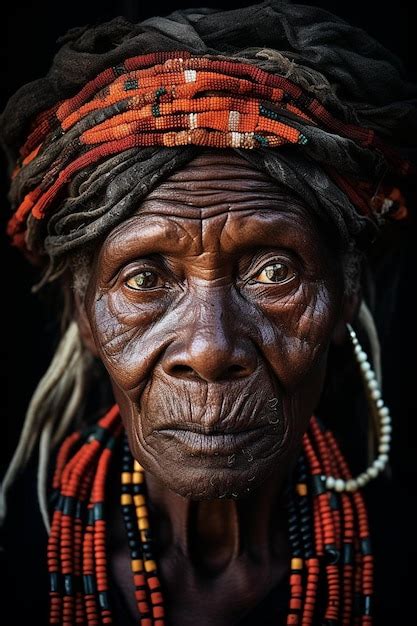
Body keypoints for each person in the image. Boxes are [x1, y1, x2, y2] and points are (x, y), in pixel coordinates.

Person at [1, 1, 415, 624]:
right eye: (144, 278)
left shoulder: (403, 558)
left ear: (345, 292)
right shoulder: (15, 564)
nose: (210, 349)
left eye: (275, 271)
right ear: (83, 312)